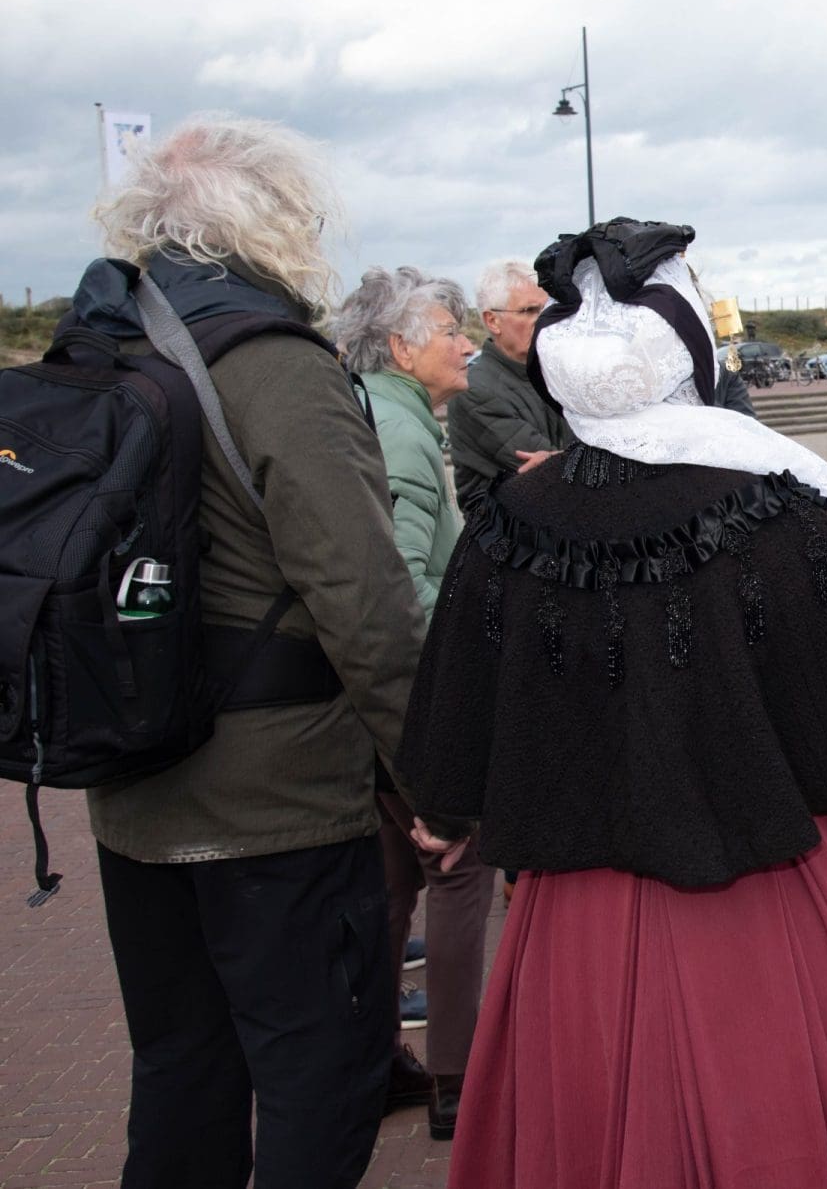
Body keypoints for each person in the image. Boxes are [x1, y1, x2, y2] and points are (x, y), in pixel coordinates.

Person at [393, 217, 827, 1188]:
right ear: (689, 353)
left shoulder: (508, 525)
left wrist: (451, 810)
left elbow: (455, 730)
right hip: (767, 909)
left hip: (575, 916)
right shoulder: (776, 513)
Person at [73, 114, 460, 1187]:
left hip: (135, 788)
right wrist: (439, 782)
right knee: (322, 1082)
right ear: (276, 219)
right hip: (279, 804)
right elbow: (366, 603)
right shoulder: (274, 363)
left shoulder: (107, 349)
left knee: (182, 1078)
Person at [335, 266, 496, 1140]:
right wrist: (478, 628)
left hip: (372, 696)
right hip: (412, 690)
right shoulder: (397, 432)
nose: (467, 344)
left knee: (392, 877)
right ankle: (459, 1077)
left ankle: (373, 1063)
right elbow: (393, 586)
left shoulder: (379, 413)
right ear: (401, 347)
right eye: (450, 331)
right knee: (461, 865)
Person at [448, 260, 572, 516]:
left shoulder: (557, 372)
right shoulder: (475, 390)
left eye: (547, 308)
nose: (543, 319)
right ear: (492, 321)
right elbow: (553, 472)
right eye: (529, 310)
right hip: (511, 535)